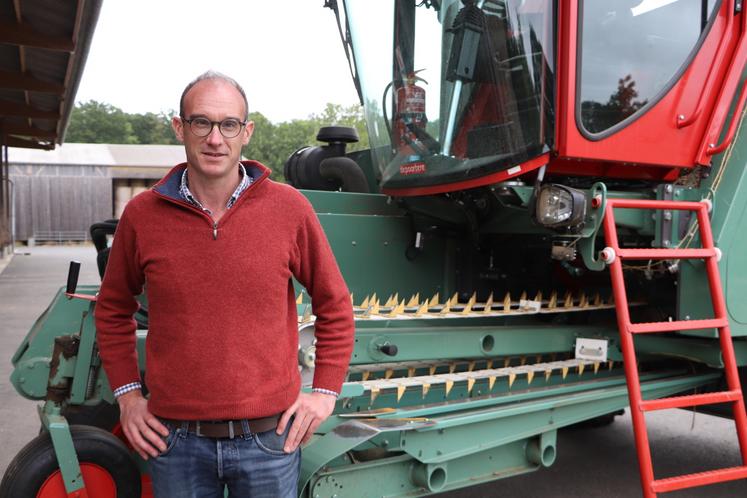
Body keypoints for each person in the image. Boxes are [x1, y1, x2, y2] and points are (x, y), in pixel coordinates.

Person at [95, 70, 355, 498]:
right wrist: (127, 396)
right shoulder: (142, 216)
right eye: (202, 122)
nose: (215, 139)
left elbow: (335, 305)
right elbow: (112, 309)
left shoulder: (290, 210)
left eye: (229, 124)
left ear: (246, 131)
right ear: (180, 126)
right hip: (174, 442)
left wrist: (324, 393)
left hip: (269, 441)